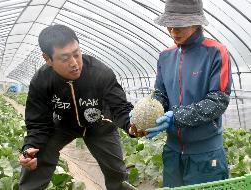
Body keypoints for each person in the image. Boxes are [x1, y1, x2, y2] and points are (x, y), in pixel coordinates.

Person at [18, 24, 139, 190]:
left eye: (77, 54)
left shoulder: (99, 72)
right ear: (48, 59)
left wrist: (130, 126)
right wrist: (29, 148)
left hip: (99, 124)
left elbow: (120, 107)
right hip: (63, 125)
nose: (75, 63)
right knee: (38, 154)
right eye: (65, 58)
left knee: (116, 173)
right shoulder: (41, 81)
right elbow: (38, 124)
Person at [144, 0, 232, 188]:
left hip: (206, 155)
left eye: (179, 26)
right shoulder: (165, 57)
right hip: (172, 152)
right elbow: (161, 95)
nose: (173, 32)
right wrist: (147, 115)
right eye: (170, 26)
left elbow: (218, 101)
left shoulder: (216, 52)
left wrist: (176, 117)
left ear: (196, 22)